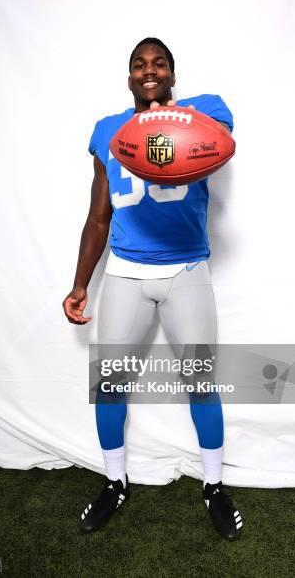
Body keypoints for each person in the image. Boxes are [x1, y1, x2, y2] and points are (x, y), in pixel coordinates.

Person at [62, 37, 243, 540]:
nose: (149, 70)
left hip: (186, 269)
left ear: (171, 73)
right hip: (124, 272)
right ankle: (114, 482)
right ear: (129, 78)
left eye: (159, 63)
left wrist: (170, 122)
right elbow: (99, 216)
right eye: (140, 65)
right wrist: (80, 283)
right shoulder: (107, 132)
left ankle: (213, 486)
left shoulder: (203, 112)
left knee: (200, 382)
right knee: (111, 386)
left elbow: (221, 141)